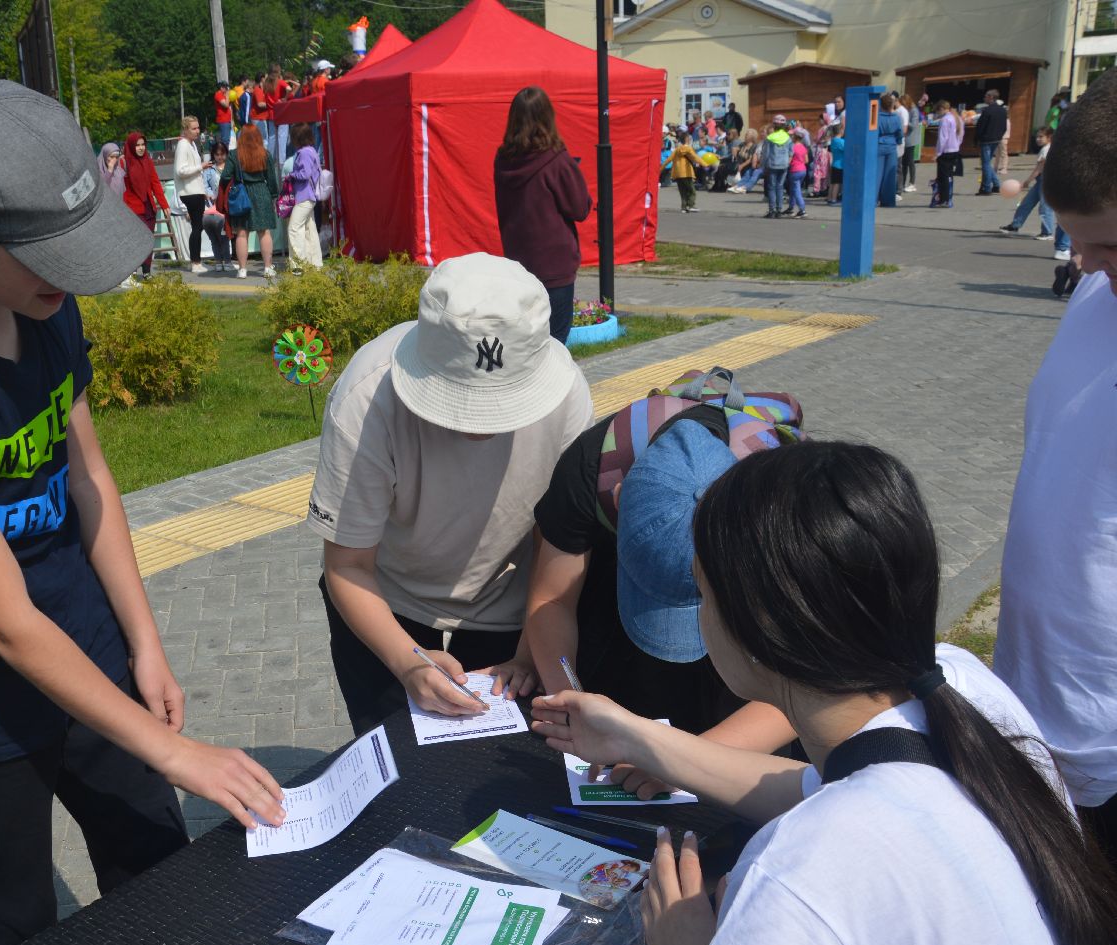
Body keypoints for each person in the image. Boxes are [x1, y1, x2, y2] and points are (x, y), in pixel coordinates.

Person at [0, 81, 285, 945]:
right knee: (19, 934)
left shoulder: (44, 306)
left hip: (82, 644)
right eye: (49, 257)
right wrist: (174, 751)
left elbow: (90, 480)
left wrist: (142, 644)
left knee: (158, 868)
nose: (72, 278)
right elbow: (3, 625)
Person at [530, 441, 1117, 945]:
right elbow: (814, 787)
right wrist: (638, 737)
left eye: (702, 594)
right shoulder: (958, 686)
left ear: (759, 629)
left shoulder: (806, 872)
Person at [309, 253, 594, 733]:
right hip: (386, 606)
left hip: (518, 611)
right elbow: (346, 566)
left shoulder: (565, 394)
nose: (478, 427)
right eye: (460, 401)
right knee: (397, 775)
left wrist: (530, 649)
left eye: (502, 406)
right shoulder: (367, 396)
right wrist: (409, 662)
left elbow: (559, 542)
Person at [524, 374, 800, 781]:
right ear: (618, 499)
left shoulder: (789, 512)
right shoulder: (593, 464)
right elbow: (552, 599)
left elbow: (809, 686)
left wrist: (686, 759)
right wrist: (570, 698)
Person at [997, 72, 1117, 863]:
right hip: (1041, 714)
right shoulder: (1096, 294)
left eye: (1108, 240)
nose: (1085, 261)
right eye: (1074, 236)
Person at [492, 85, 594, 343]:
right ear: (548, 116)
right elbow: (580, 208)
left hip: (519, 263)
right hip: (555, 265)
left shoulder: (503, 159)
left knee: (526, 341)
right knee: (556, 340)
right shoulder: (556, 160)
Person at [220, 124, 280, 281]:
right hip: (262, 192)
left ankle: (242, 270)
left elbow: (225, 176)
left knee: (241, 232)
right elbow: (272, 179)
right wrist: (273, 194)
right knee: (264, 232)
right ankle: (267, 268)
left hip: (242, 194)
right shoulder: (265, 154)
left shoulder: (234, 155)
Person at [120, 131, 169, 282]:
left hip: (148, 207)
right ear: (131, 146)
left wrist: (164, 205)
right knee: (136, 241)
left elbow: (155, 182)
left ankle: (146, 272)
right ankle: (132, 272)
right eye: (137, 145)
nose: (141, 148)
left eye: (143, 145)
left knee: (148, 241)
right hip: (132, 208)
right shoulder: (123, 162)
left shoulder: (147, 160)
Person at [999, 126, 1056, 238]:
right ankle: (1015, 226)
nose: (1038, 139)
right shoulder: (1046, 148)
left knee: (1045, 208)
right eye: (1037, 137)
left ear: (1049, 137)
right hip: (1041, 181)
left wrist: (1027, 181)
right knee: (1026, 203)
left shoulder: (1047, 149)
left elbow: (1039, 168)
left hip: (1047, 181)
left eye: (1041, 137)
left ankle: (1047, 232)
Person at [172, 116, 208, 274]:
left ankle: (196, 260)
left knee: (198, 227)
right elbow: (181, 171)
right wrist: (200, 166)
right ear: (185, 130)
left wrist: (203, 191)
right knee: (197, 227)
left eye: (198, 128)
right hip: (189, 192)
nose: (197, 131)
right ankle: (195, 261)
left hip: (196, 191)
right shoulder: (183, 145)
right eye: (193, 128)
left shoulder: (192, 144)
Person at [285, 123, 323, 273]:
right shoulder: (312, 150)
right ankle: (315, 263)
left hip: (304, 196)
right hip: (311, 196)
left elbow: (305, 174)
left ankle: (298, 265)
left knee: (294, 229)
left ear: (297, 138)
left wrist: (291, 175)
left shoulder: (303, 153)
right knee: (310, 230)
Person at [200, 142, 232, 271]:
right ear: (213, 155)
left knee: (226, 236)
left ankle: (228, 260)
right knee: (217, 237)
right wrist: (208, 194)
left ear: (226, 154)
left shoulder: (230, 166)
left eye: (222, 154)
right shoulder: (209, 168)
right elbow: (205, 185)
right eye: (217, 154)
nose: (219, 157)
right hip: (214, 205)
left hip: (229, 204)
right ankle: (219, 262)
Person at [974, 89, 1009, 194]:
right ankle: (997, 185)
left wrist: (977, 138)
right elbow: (1004, 127)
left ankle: (986, 187)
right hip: (996, 139)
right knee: (987, 163)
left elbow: (981, 126)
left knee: (985, 164)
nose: (984, 98)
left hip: (986, 140)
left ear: (991, 97)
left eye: (986, 96)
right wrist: (999, 136)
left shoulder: (987, 111)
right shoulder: (1002, 110)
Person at [931, 99, 963, 207]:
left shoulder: (945, 120)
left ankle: (943, 200)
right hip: (954, 150)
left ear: (941, 109)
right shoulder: (957, 118)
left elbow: (942, 138)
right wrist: (957, 145)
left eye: (937, 111)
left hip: (945, 151)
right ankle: (949, 198)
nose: (937, 114)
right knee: (949, 176)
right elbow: (961, 134)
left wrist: (938, 153)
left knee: (943, 177)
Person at [876, 91, 904, 209]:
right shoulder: (897, 118)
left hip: (879, 145)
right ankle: (888, 201)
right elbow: (900, 133)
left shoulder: (877, 118)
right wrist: (897, 141)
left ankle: (873, 200)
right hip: (892, 146)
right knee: (890, 175)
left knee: (877, 174)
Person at [760, 120, 793, 219]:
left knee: (771, 187)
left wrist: (763, 165)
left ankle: (772, 210)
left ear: (774, 127)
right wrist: (787, 162)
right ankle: (779, 210)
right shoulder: (788, 138)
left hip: (772, 165)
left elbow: (766, 154)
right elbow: (791, 152)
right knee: (780, 187)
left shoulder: (770, 138)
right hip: (784, 165)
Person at [667, 133, 701, 213]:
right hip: (686, 172)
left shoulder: (677, 149)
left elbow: (669, 160)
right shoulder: (689, 149)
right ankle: (691, 205)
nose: (689, 139)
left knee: (683, 191)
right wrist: (704, 163)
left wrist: (660, 169)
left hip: (678, 173)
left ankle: (684, 207)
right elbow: (695, 158)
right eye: (688, 138)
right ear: (686, 139)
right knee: (691, 190)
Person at [783, 124, 808, 217]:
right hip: (803, 170)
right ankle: (791, 207)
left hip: (795, 171)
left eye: (792, 136)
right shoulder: (803, 147)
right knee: (794, 189)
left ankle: (802, 209)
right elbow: (806, 160)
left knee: (796, 190)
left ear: (794, 137)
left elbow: (789, 159)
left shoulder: (792, 147)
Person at [900, 93, 923, 191]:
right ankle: (903, 182)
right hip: (906, 138)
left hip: (911, 139)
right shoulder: (907, 110)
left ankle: (912, 183)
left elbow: (913, 125)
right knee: (904, 162)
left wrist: (904, 121)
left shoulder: (914, 110)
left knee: (910, 161)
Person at [827, 123, 846, 204]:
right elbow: (847, 149)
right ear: (840, 131)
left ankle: (829, 198)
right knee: (837, 183)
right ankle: (834, 199)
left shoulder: (833, 140)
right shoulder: (841, 141)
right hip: (840, 165)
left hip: (834, 163)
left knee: (833, 183)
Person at [212, 80, 232, 150]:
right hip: (223, 120)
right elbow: (226, 105)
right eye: (226, 88)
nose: (227, 90)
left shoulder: (223, 95)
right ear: (221, 87)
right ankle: (224, 155)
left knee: (227, 140)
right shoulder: (218, 94)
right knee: (225, 140)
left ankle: (224, 153)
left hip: (227, 120)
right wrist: (227, 95)